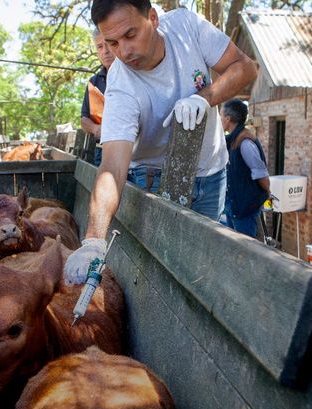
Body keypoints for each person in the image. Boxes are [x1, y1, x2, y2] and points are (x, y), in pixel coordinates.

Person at [63, 0, 257, 284]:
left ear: (152, 18)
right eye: (112, 43)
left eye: (130, 35)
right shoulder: (120, 85)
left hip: (212, 173)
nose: (124, 52)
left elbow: (246, 67)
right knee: (160, 275)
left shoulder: (187, 28)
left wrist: (204, 98)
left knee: (202, 271)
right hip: (152, 179)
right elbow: (113, 167)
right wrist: (93, 240)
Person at [219, 99, 269, 237]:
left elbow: (262, 176)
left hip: (245, 208)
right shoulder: (232, 139)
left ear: (228, 119)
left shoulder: (245, 141)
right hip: (234, 207)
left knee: (248, 250)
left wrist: (264, 194)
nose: (219, 119)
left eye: (221, 115)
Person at [80, 29, 115, 167]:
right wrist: (96, 129)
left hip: (132, 153)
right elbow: (84, 119)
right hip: (102, 150)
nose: (105, 51)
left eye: (109, 44)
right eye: (100, 46)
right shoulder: (94, 82)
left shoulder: (133, 74)